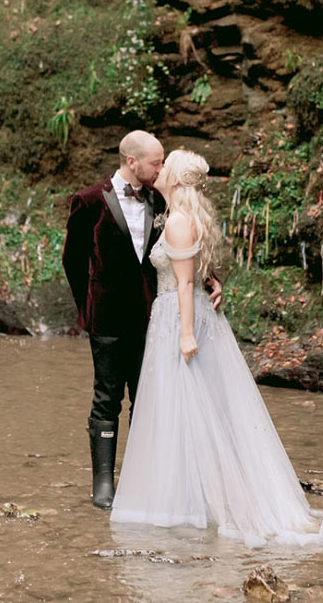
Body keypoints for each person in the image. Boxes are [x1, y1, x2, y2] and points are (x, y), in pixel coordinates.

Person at [110, 149, 323, 546]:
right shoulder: (179, 215)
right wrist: (211, 281)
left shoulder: (177, 220)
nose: (158, 169)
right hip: (175, 316)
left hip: (179, 318)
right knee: (183, 411)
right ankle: (187, 501)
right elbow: (191, 272)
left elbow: (184, 282)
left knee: (188, 408)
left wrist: (186, 333)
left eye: (165, 165)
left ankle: (191, 506)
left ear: (174, 178)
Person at [62, 131, 222, 509]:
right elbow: (73, 261)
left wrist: (210, 278)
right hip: (106, 317)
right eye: (156, 162)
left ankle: (142, 481)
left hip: (153, 317)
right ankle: (103, 485)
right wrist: (87, 308)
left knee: (146, 398)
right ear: (132, 162)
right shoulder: (88, 201)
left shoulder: (160, 199)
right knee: (106, 397)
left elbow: (182, 252)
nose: (161, 168)